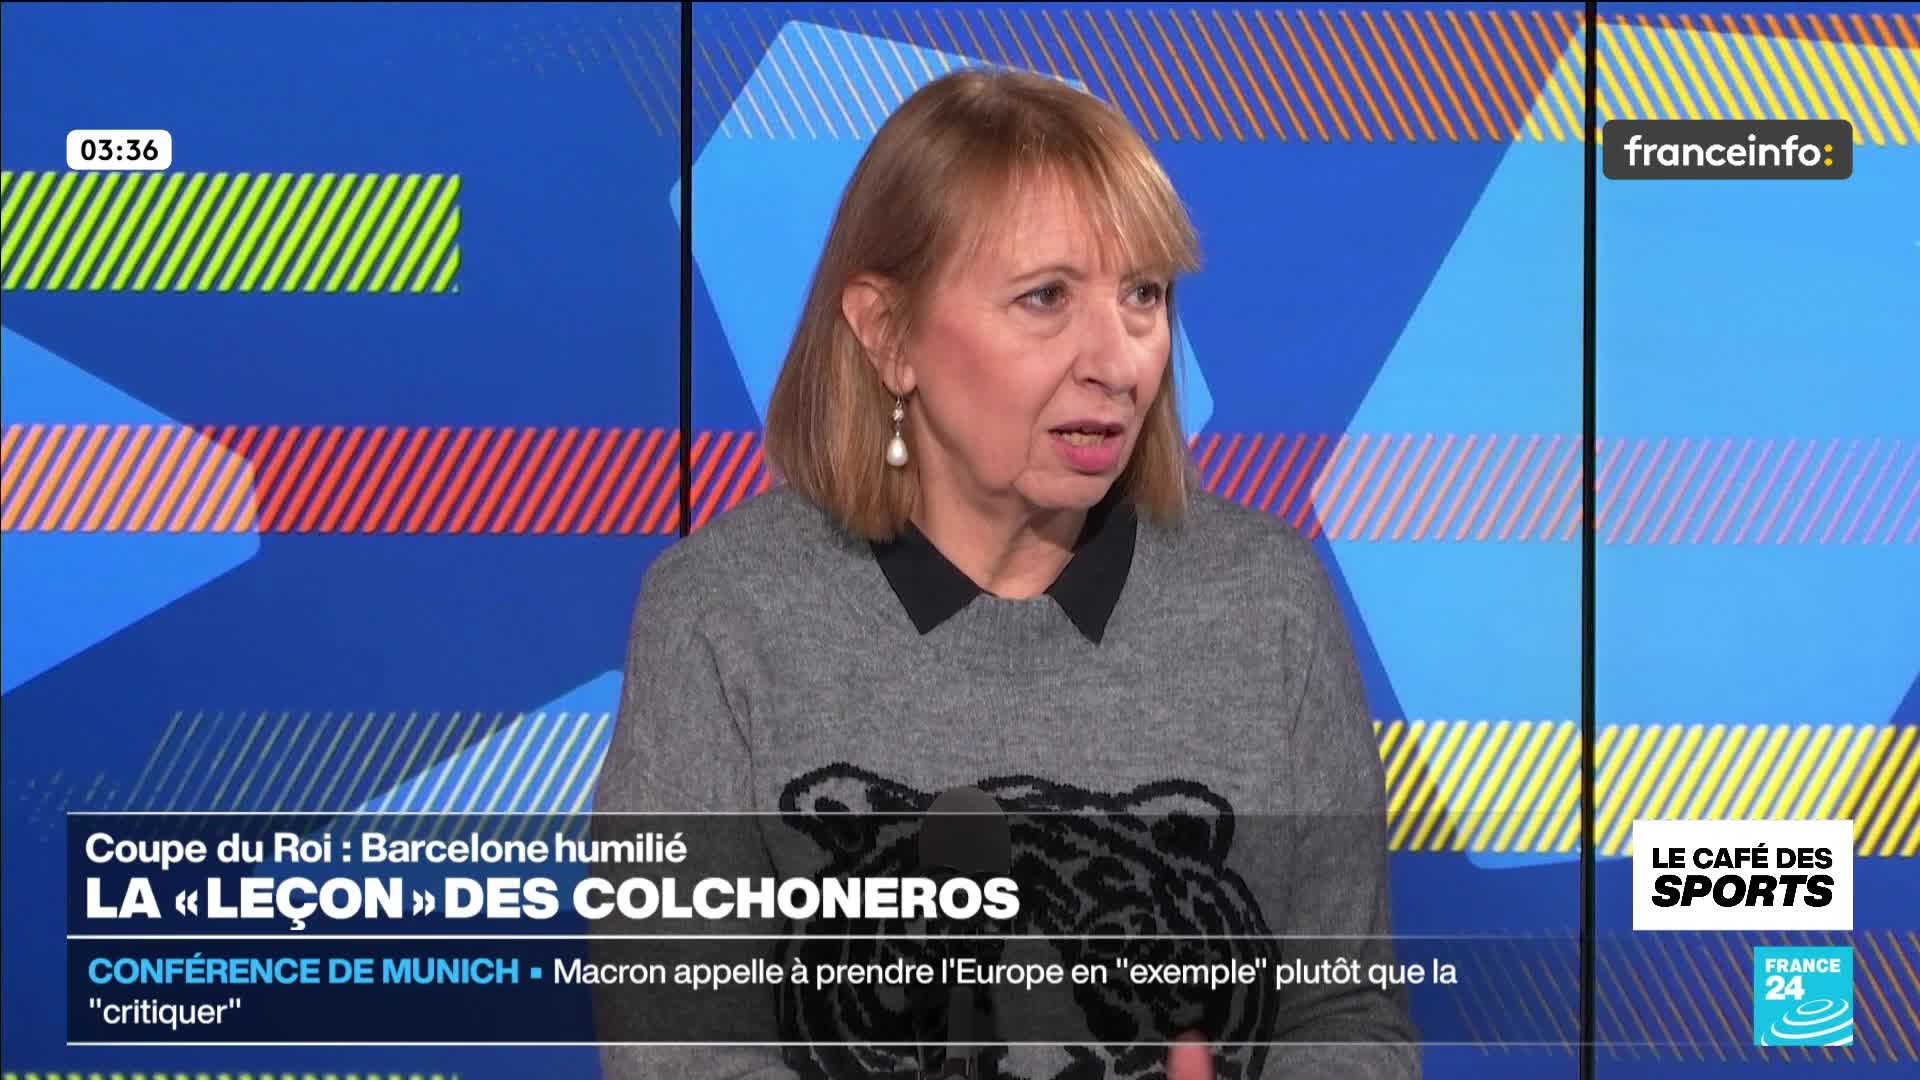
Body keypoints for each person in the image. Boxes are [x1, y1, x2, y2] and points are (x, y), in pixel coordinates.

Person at [592, 67, 1418, 1080]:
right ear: (887, 333)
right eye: (1045, 297)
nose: (1117, 362)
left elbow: (1345, 1014)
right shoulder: (720, 613)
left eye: (1143, 295)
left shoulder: (1267, 598)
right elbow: (678, 1049)